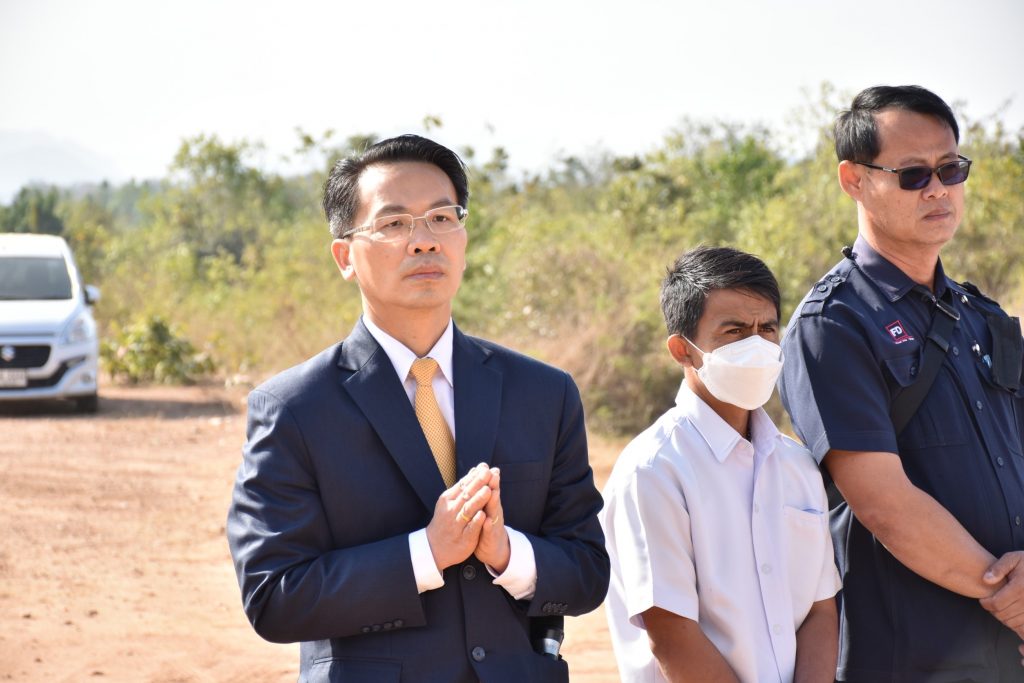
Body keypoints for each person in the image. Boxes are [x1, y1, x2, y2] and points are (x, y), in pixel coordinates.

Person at [226, 134, 609, 683]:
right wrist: (424, 554)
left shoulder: (544, 393)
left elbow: (588, 572)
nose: (424, 241)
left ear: (463, 236)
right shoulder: (294, 409)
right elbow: (274, 596)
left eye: (441, 218)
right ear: (344, 256)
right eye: (394, 224)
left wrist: (507, 554)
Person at [780, 85, 1024, 681]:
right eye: (913, 174)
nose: (938, 189)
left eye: (951, 168)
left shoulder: (983, 316)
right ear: (854, 180)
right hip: (913, 654)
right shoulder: (832, 325)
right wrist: (1015, 600)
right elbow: (884, 503)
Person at [602, 245, 841, 683]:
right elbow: (671, 633)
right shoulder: (654, 471)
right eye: (733, 332)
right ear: (683, 350)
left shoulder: (798, 466)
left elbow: (820, 610)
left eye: (767, 328)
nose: (756, 344)